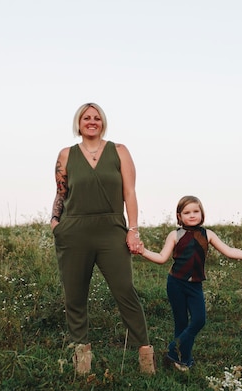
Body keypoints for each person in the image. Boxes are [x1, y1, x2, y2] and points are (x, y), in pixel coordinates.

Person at [50, 102, 155, 375]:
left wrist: (133, 229)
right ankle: (82, 359)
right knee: (75, 296)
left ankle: (145, 355)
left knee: (125, 291)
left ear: (102, 122)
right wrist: (55, 223)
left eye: (97, 117)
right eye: (87, 117)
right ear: (79, 122)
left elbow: (129, 193)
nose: (92, 121)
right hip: (74, 231)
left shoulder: (119, 151)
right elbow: (61, 193)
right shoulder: (65, 155)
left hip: (111, 229)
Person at [137, 196, 242, 371]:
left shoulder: (208, 234)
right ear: (179, 216)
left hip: (195, 285)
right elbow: (161, 258)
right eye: (187, 212)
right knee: (181, 323)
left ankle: (172, 351)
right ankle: (183, 362)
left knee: (199, 320)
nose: (192, 215)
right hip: (175, 283)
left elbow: (229, 251)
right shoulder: (175, 235)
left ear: (202, 213)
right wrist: (143, 251)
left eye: (195, 211)